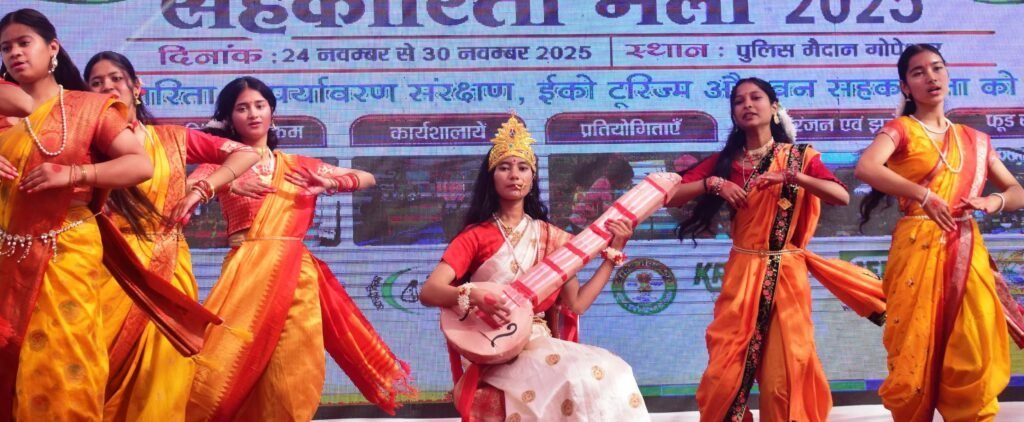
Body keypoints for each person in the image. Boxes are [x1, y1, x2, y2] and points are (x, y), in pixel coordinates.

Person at [0, 8, 218, 421]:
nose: (14, 53)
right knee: (15, 360)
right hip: (9, 254)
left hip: (68, 248)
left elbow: (139, 164)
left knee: (66, 357)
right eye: (6, 47)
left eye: (24, 42)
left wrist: (73, 174)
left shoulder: (89, 109)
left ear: (53, 48)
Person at [185, 76, 412, 421]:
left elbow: (367, 178)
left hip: (296, 280)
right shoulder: (220, 165)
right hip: (245, 275)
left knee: (294, 371)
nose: (253, 114)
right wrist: (226, 182)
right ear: (230, 118)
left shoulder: (298, 165)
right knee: (223, 365)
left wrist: (330, 182)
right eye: (242, 108)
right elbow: (183, 186)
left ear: (272, 113)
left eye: (259, 106)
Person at [667, 77, 886, 421]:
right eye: (739, 101)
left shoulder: (798, 157)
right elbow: (670, 195)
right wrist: (712, 183)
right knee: (724, 377)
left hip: (787, 276)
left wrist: (792, 177)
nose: (747, 105)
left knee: (783, 379)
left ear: (774, 108)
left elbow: (840, 195)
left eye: (756, 98)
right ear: (733, 113)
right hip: (742, 275)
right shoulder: (725, 162)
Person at [419, 116, 650, 421]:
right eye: (504, 167)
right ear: (491, 177)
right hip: (490, 345)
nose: (514, 175)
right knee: (569, 380)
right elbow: (430, 291)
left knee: (613, 372)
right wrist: (475, 296)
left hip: (538, 341)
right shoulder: (475, 236)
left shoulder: (552, 238)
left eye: (523, 168)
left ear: (532, 178)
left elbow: (576, 304)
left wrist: (612, 255)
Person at [83, 51, 260, 421]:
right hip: (109, 265)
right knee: (94, 366)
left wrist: (203, 188)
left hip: (168, 268)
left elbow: (244, 154)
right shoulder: (83, 146)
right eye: (96, 83)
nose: (107, 87)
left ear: (137, 87)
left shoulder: (173, 139)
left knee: (163, 369)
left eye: (116, 78)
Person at [855, 44, 1024, 421]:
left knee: (972, 345)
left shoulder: (974, 139)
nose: (930, 77)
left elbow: (1017, 191)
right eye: (918, 72)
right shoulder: (901, 130)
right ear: (905, 86)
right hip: (917, 249)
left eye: (937, 68)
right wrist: (923, 195)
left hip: (966, 247)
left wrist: (992, 201)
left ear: (947, 75)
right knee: (914, 347)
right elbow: (867, 167)